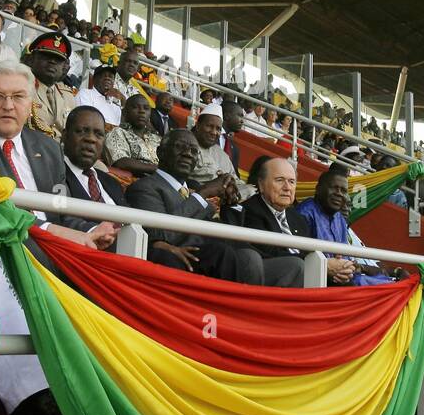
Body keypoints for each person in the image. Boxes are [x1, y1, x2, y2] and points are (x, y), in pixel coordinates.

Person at [0, 59, 117, 415]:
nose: (9, 105)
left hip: (52, 241)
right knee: (12, 257)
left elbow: (58, 207)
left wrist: (92, 228)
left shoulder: (44, 146)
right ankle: (32, 398)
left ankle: (106, 386)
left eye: (18, 97)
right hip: (3, 240)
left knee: (117, 266)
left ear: (30, 105)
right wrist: (58, 233)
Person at [127, 129, 271, 285]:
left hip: (219, 262)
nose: (188, 154)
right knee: (231, 255)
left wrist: (231, 202)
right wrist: (202, 193)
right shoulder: (144, 187)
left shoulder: (194, 190)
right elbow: (160, 234)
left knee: (254, 257)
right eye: (180, 147)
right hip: (181, 264)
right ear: (160, 152)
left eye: (194, 151)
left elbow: (225, 234)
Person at [237, 158, 324, 288]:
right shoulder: (250, 210)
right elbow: (270, 252)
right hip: (267, 279)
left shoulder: (297, 218)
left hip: (299, 279)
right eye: (279, 180)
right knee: (298, 266)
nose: (287, 188)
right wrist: (318, 265)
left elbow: (309, 250)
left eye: (292, 182)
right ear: (261, 185)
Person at [61, 106, 127, 206]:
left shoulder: (112, 182)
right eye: (82, 131)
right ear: (65, 136)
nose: (91, 139)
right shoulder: (54, 175)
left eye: (99, 134)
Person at [188, 104, 251, 203]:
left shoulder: (221, 154)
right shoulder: (186, 145)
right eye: (209, 126)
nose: (214, 132)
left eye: (218, 129)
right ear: (198, 125)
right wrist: (224, 182)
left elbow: (236, 180)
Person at [24, 31, 76, 139]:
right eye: (46, 56)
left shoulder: (68, 95)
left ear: (64, 67)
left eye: (58, 59)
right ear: (31, 59)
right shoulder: (21, 87)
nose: (52, 61)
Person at [103, 93, 161, 176]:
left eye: (146, 108)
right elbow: (121, 162)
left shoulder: (157, 138)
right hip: (139, 181)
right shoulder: (118, 132)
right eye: (135, 107)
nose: (142, 111)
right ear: (125, 112)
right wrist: (158, 170)